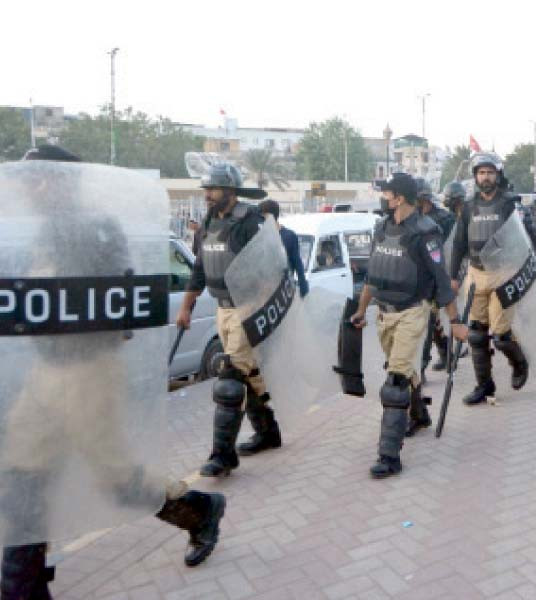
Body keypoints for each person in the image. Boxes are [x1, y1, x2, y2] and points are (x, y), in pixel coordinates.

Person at [1, 146, 226, 600]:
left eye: (36, 179)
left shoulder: (94, 230)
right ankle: (21, 585)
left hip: (87, 372)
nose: (28, 187)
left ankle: (199, 510)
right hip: (46, 372)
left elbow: (123, 305)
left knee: (119, 481)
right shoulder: (46, 231)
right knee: (21, 475)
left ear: (58, 181)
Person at [350, 173, 467, 478]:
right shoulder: (383, 227)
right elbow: (372, 277)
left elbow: (442, 281)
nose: (382, 198)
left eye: (386, 193)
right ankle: (419, 415)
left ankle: (389, 456)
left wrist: (454, 321)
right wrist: (362, 310)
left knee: (396, 381)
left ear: (399, 197)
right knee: (402, 368)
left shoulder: (426, 232)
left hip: (412, 312)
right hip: (384, 314)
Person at [177, 163, 281, 478]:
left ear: (230, 191)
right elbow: (200, 267)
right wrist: (186, 307)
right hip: (222, 308)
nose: (206, 195)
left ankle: (222, 456)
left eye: (212, 189)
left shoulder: (249, 222)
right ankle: (268, 432)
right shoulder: (209, 221)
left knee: (230, 377)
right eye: (205, 189)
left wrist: (258, 309)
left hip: (246, 308)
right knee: (248, 375)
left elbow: (270, 267)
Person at [449, 153, 532, 404]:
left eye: (490, 172)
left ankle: (519, 363)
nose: (485, 177)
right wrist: (453, 277)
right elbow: (459, 243)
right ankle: (484, 386)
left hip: (503, 274)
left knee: (501, 335)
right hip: (476, 274)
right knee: (476, 334)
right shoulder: (468, 206)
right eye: (481, 173)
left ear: (497, 175)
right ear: (475, 176)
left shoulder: (510, 204)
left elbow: (524, 241)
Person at [415, 178, 458, 382]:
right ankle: (446, 353)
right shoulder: (410, 219)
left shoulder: (444, 219)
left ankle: (420, 369)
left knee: (428, 324)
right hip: (418, 280)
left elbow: (453, 249)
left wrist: (450, 277)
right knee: (431, 324)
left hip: (438, 277)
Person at [259, 199, 309, 297]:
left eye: (262, 216)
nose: (260, 220)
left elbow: (297, 262)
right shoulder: (260, 237)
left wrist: (303, 287)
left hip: (285, 290)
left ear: (269, 216)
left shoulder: (289, 236)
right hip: (266, 291)